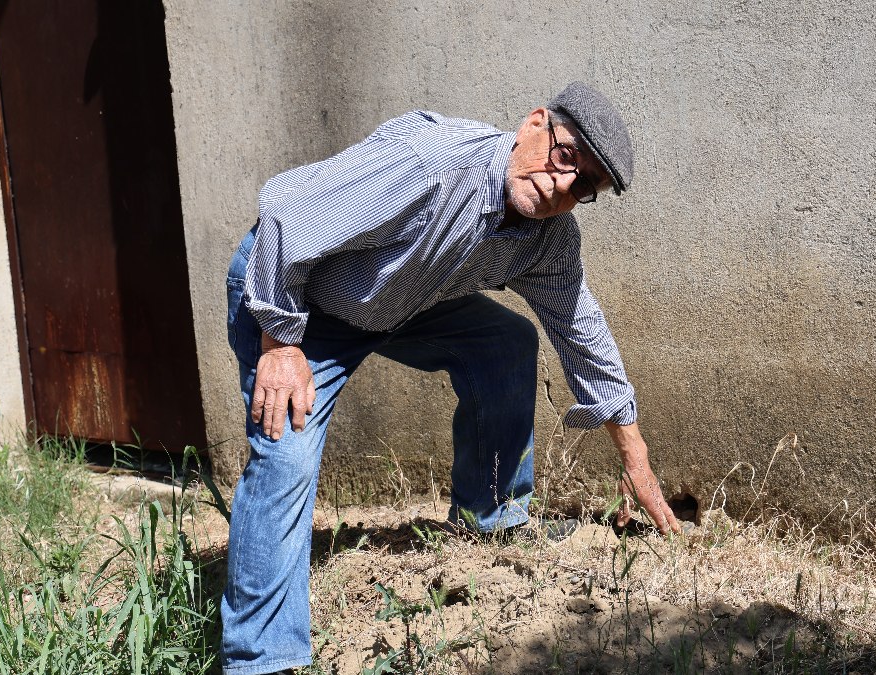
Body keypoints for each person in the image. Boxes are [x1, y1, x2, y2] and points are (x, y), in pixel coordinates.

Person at [220, 81, 681, 675]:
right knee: (285, 455)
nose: (562, 184)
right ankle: (262, 658)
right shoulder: (435, 162)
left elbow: (579, 328)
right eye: (567, 157)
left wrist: (634, 454)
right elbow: (286, 212)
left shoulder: (547, 239)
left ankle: (493, 520)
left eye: (583, 184)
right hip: (294, 299)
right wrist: (280, 342)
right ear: (534, 123)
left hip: (397, 300)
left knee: (505, 343)